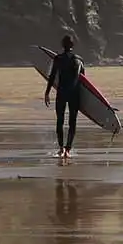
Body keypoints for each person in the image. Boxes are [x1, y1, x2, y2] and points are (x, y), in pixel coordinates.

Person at [44, 34, 85, 165]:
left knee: (60, 121)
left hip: (61, 93)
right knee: (72, 122)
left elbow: (52, 77)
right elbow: (84, 82)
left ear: (62, 46)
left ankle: (61, 149)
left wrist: (47, 92)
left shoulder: (58, 59)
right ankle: (68, 150)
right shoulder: (79, 60)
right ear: (73, 46)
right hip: (75, 94)